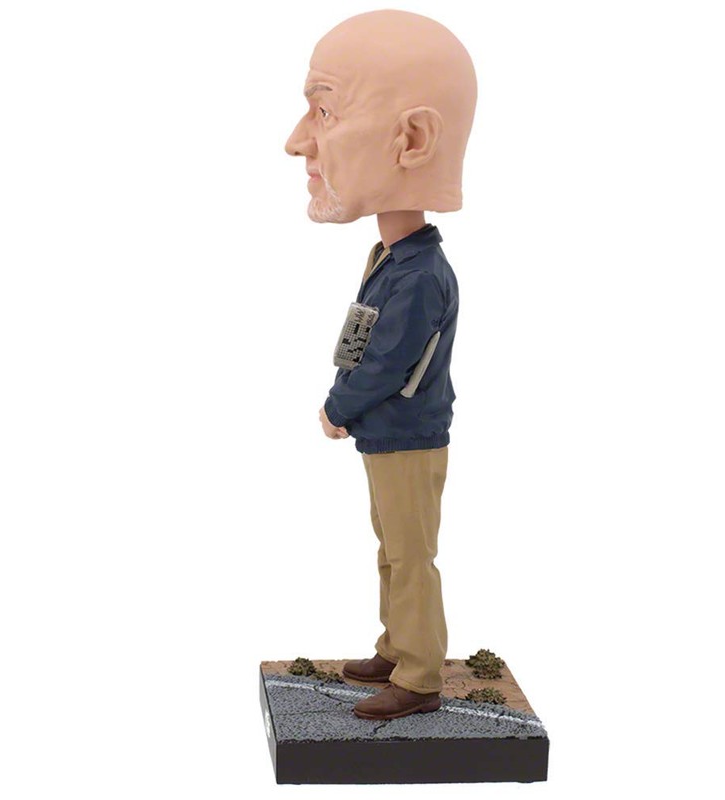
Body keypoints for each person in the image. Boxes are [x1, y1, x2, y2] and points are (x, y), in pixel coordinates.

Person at [284, 9, 477, 721]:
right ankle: (397, 647)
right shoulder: (396, 260)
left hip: (405, 431)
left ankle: (419, 677)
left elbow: (389, 362)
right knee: (392, 548)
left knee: (411, 554)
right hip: (390, 433)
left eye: (325, 111)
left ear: (412, 140)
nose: (297, 140)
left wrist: (339, 406)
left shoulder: (419, 274)